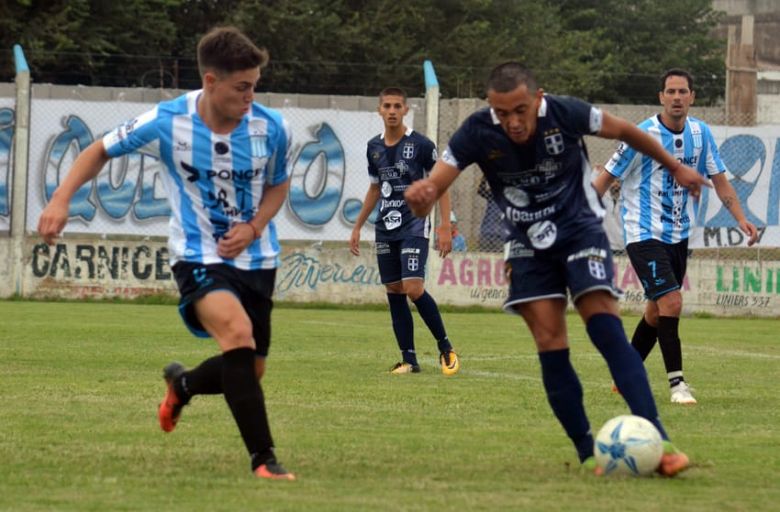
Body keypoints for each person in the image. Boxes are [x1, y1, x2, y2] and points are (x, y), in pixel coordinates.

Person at [404, 62, 709, 475]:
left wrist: (675, 166)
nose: (511, 121)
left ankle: (660, 442)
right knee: (551, 340)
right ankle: (587, 453)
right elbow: (437, 181)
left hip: (581, 229)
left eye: (520, 110)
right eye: (501, 112)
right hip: (527, 245)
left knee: (604, 325)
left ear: (539, 98)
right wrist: (424, 194)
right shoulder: (476, 130)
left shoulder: (565, 112)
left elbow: (627, 132)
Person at [37, 26, 296, 480]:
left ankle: (184, 385)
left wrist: (254, 228)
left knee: (249, 370)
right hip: (196, 255)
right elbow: (99, 150)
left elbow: (279, 184)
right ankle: (264, 460)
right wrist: (61, 199)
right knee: (236, 334)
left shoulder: (271, 127)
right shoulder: (167, 121)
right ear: (211, 82)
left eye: (254, 85)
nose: (251, 96)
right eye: (242, 87)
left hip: (258, 259)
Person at [594, 68, 759, 404]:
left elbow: (721, 180)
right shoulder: (642, 135)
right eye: (670, 92)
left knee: (657, 310)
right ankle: (677, 385)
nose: (677, 98)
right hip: (642, 232)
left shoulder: (701, 134)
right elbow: (605, 177)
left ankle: (623, 375)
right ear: (661, 97)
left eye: (683, 92)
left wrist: (741, 218)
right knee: (672, 301)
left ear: (692, 97)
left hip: (679, 234)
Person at [350, 87, 460, 376]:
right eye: (386, 105)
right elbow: (375, 188)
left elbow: (441, 184)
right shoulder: (373, 147)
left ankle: (445, 347)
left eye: (397, 105)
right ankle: (409, 360)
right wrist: (358, 225)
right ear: (379, 110)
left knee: (413, 287)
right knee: (394, 289)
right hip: (385, 227)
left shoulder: (422, 145)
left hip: (414, 224)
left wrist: (445, 225)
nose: (392, 111)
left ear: (406, 110)